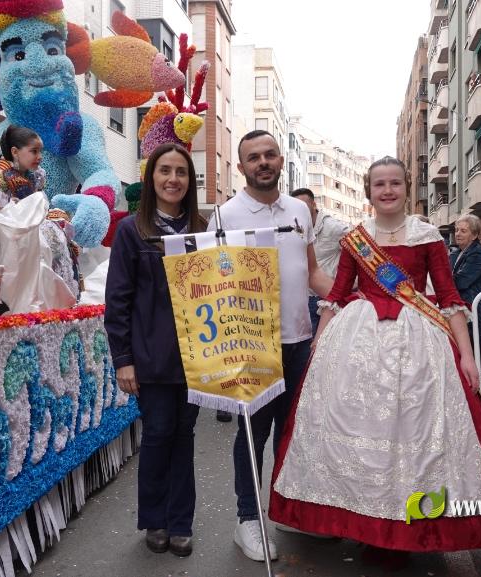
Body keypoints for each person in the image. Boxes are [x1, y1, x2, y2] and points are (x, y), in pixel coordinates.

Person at [269, 156, 481, 569]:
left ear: (408, 188)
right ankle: (367, 524)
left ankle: (415, 526)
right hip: (359, 348)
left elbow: (449, 297)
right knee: (360, 432)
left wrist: (465, 354)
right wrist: (318, 348)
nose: (387, 191)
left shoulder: (427, 236)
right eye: (379, 185)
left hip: (419, 348)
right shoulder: (357, 238)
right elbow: (335, 295)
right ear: (369, 192)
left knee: (416, 434)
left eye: (395, 184)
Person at [208, 130, 332, 562]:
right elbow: (211, 287)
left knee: (293, 435)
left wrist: (352, 296)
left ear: (281, 161)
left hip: (300, 342)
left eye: (269, 154)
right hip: (253, 347)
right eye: (253, 157)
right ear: (240, 167)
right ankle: (248, 520)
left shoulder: (300, 209)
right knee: (251, 437)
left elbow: (313, 272)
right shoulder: (225, 216)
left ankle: (290, 512)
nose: (263, 162)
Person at [105, 143, 207, 558]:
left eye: (181, 172)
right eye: (165, 171)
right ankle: (156, 519)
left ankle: (181, 522)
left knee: (184, 436)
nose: (173, 179)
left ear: (189, 181)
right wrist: (123, 359)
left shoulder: (202, 228)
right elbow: (118, 300)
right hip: (151, 358)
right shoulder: (133, 230)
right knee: (158, 435)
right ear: (152, 179)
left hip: (198, 356)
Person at [291, 187, 350, 335]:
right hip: (301, 298)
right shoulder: (294, 227)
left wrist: (348, 283)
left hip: (324, 299)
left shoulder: (334, 228)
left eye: (303, 205)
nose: (300, 210)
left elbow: (359, 249)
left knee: (320, 346)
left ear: (313, 204)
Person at [0, 125, 46, 217]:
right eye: (34, 151)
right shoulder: (0, 175)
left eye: (41, 151)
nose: (40, 157)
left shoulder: (37, 175)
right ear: (15, 152)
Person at [450, 214, 481, 348]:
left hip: (474, 313)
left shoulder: (478, 253)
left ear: (474, 235)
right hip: (458, 311)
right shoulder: (455, 253)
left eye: (463, 231)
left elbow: (461, 281)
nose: (458, 234)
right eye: (456, 230)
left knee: (473, 356)